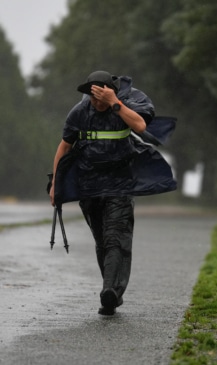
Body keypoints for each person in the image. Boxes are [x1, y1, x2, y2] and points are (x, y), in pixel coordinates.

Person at [49, 70, 175, 315]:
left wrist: (114, 104)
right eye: (92, 97)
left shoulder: (123, 107)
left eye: (99, 96)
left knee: (116, 238)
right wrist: (56, 183)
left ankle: (109, 292)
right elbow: (64, 146)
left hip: (120, 185)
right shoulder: (79, 113)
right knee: (102, 242)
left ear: (110, 92)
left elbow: (139, 125)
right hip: (90, 187)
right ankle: (112, 290)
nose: (95, 102)